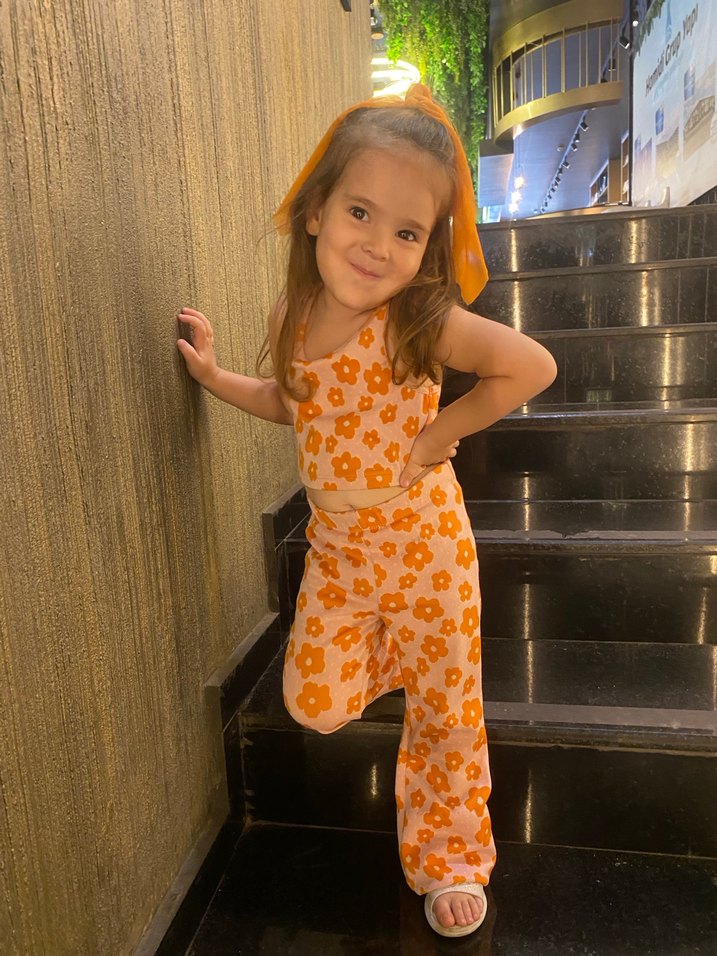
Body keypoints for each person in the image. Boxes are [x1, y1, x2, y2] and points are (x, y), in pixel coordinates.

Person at [176, 84, 557, 938]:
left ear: (428, 247)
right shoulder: (292, 312)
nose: (379, 246)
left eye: (407, 232)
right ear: (315, 211)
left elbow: (530, 367)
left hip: (425, 547)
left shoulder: (416, 319)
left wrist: (439, 434)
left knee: (447, 714)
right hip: (340, 552)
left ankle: (450, 856)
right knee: (313, 704)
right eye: (359, 212)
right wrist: (213, 378)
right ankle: (404, 655)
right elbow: (291, 403)